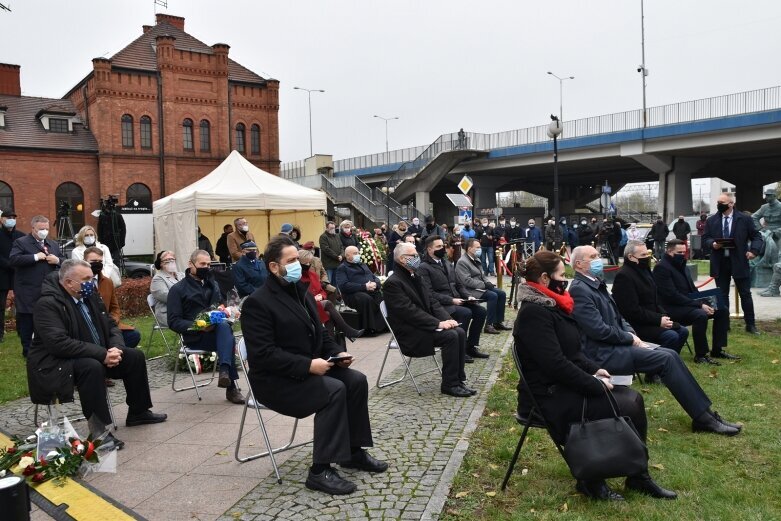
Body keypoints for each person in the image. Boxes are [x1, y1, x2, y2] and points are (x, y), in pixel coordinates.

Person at [514, 250, 675, 501]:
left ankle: (637, 476)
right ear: (544, 279)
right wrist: (593, 384)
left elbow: (572, 351)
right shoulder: (534, 313)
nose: (564, 279)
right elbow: (554, 364)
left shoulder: (553, 304)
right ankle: (591, 478)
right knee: (626, 403)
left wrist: (593, 369)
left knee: (632, 400)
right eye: (560, 275)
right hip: (547, 395)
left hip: (564, 384)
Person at [241, 235, 387, 495]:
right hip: (275, 381)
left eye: (298, 258)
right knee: (333, 390)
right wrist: (308, 365)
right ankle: (320, 471)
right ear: (274, 267)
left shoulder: (301, 293)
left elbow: (320, 334)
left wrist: (337, 354)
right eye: (292, 260)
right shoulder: (257, 303)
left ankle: (352, 452)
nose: (299, 264)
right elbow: (263, 355)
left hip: (306, 370)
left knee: (355, 380)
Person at [568, 245, 741, 436]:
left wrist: (633, 336)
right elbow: (597, 330)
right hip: (603, 354)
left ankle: (705, 414)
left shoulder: (596, 284)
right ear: (579, 264)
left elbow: (620, 318)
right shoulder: (580, 289)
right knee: (666, 359)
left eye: (598, 255)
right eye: (593, 256)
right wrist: (630, 338)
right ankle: (703, 418)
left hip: (618, 345)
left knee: (670, 354)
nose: (598, 259)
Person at [28, 260, 167, 450]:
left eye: (91, 278)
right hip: (56, 363)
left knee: (133, 356)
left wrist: (116, 348)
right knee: (91, 367)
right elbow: (58, 344)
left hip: (94, 353)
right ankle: (100, 433)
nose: (91, 283)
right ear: (68, 282)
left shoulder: (89, 295)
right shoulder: (48, 304)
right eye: (86, 279)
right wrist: (101, 354)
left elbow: (111, 325)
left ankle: (139, 411)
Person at [384, 242, 474, 398]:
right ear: (402, 259)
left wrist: (448, 319)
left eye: (417, 255)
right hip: (410, 332)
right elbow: (409, 312)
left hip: (423, 326)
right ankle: (449, 384)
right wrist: (437, 323)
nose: (417, 258)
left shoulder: (415, 275)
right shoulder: (393, 283)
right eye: (414, 256)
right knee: (451, 336)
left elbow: (432, 301)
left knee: (458, 331)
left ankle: (458, 380)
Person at [167, 249, 245, 404]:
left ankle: (224, 373)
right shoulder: (177, 290)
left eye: (209, 264)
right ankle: (231, 387)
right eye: (202, 264)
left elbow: (221, 305)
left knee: (224, 328)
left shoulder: (213, 284)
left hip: (217, 333)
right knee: (227, 338)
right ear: (191, 264)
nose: (206, 267)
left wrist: (229, 311)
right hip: (195, 336)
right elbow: (174, 321)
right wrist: (199, 325)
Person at [654, 239, 735, 365]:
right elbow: (671, 295)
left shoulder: (682, 265)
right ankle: (701, 355)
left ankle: (717, 350)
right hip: (671, 308)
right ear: (669, 252)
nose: (682, 254)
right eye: (679, 252)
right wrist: (700, 304)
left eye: (684, 252)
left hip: (688, 303)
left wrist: (706, 300)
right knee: (700, 315)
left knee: (722, 309)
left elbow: (692, 289)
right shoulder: (661, 268)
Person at [612, 240, 689, 362]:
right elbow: (631, 310)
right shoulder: (624, 276)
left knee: (683, 331)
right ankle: (655, 369)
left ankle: (671, 363)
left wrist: (663, 317)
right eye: (643, 255)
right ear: (631, 257)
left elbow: (654, 299)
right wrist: (658, 320)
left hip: (652, 318)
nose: (647, 257)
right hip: (637, 323)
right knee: (671, 336)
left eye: (647, 254)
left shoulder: (644, 269)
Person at [418, 235, 489, 360]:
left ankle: (471, 346)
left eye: (443, 246)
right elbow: (429, 293)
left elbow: (459, 284)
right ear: (429, 250)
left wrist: (469, 296)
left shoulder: (447, 263)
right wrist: (451, 300)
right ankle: (459, 349)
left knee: (480, 311)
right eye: (438, 246)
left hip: (457, 300)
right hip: (442, 304)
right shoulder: (424, 267)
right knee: (466, 313)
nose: (442, 249)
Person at [702, 192, 763, 334]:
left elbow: (757, 236)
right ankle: (724, 324)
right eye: (718, 202)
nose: (719, 205)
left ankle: (751, 324)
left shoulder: (744, 219)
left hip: (739, 261)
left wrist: (753, 251)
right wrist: (713, 244)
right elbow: (705, 238)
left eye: (722, 202)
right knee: (722, 295)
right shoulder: (712, 221)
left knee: (745, 294)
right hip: (720, 262)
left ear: (731, 204)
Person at [9, 215, 64, 357]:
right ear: (33, 228)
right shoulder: (21, 242)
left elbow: (65, 261)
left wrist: (57, 260)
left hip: (49, 289)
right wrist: (35, 257)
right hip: (28, 290)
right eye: (41, 229)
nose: (44, 231)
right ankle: (28, 351)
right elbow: (14, 259)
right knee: (28, 321)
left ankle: (46, 348)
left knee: (48, 319)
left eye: (46, 228)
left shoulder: (53, 244)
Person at [299, 249, 363, 341]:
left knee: (328, 314)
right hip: (306, 306)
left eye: (310, 263)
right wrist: (313, 298)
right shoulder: (298, 278)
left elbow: (322, 291)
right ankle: (347, 331)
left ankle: (331, 342)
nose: (309, 265)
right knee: (328, 304)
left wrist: (321, 296)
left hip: (317, 304)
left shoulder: (313, 275)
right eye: (306, 263)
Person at [84, 247, 141, 349]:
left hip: (107, 324)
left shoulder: (107, 282)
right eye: (93, 261)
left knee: (133, 336)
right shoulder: (80, 282)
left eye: (100, 261)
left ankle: (114, 357)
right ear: (84, 262)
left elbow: (114, 307)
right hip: (89, 326)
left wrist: (113, 321)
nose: (97, 264)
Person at [455, 239, 511, 334]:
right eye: (477, 247)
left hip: (480, 287)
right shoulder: (462, 262)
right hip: (470, 290)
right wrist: (484, 285)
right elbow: (466, 281)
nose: (479, 249)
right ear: (469, 249)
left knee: (501, 293)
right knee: (492, 296)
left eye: (480, 247)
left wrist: (489, 284)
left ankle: (498, 322)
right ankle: (489, 325)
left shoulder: (476, 259)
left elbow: (482, 276)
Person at [335, 245, 385, 334]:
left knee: (380, 296)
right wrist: (364, 286)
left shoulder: (362, 264)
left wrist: (375, 284)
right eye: (355, 253)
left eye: (358, 253)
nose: (358, 255)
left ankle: (382, 326)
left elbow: (374, 277)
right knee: (366, 299)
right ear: (347, 256)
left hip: (369, 290)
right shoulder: (342, 268)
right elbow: (344, 285)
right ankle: (370, 328)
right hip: (352, 294)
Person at [0, 208, 24, 343]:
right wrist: (9, 264)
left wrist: (16, 264)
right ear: (2, 219)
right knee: (0, 305)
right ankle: (0, 334)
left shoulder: (21, 236)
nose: (11, 220)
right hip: (2, 274)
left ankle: (22, 331)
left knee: (21, 304)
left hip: (18, 274)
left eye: (13, 218)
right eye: (8, 217)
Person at [150, 250, 185, 327]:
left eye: (172, 259)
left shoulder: (182, 275)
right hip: (168, 314)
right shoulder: (158, 279)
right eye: (166, 260)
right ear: (161, 264)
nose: (170, 262)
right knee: (196, 321)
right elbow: (170, 297)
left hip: (184, 310)